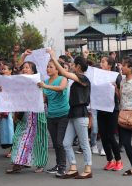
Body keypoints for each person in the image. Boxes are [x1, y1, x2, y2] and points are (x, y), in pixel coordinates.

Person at [48, 49, 92, 179]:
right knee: (65, 143)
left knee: (84, 143)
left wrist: (53, 57)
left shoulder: (83, 78)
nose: (71, 66)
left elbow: (62, 72)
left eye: (73, 65)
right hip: (72, 114)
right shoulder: (77, 79)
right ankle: (73, 167)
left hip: (80, 114)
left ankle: (88, 168)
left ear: (78, 66)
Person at [6, 61, 48, 174]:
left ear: (33, 71)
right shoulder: (19, 83)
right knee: (18, 138)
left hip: (37, 114)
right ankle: (18, 163)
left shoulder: (39, 81)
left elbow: (44, 96)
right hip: (24, 114)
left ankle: (40, 164)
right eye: (23, 68)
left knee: (39, 140)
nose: (24, 69)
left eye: (27, 68)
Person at [38, 60, 69, 177]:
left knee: (60, 142)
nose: (48, 69)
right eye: (47, 67)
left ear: (57, 69)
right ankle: (58, 165)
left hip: (63, 115)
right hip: (51, 115)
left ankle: (62, 167)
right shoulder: (45, 82)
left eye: (51, 67)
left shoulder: (63, 79)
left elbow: (61, 89)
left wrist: (45, 86)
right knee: (56, 143)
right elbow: (43, 99)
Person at [97, 56, 123, 171]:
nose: (101, 63)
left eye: (103, 62)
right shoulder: (98, 76)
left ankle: (118, 160)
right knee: (103, 136)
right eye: (101, 61)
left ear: (109, 65)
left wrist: (116, 88)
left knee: (111, 136)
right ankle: (110, 160)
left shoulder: (116, 76)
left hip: (113, 109)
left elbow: (122, 96)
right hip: (100, 109)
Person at [0, 61, 14, 158]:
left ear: (10, 71)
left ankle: (13, 150)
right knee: (9, 130)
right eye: (2, 69)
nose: (2, 71)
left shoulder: (14, 80)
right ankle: (12, 149)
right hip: (4, 108)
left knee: (14, 129)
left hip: (13, 108)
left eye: (5, 69)